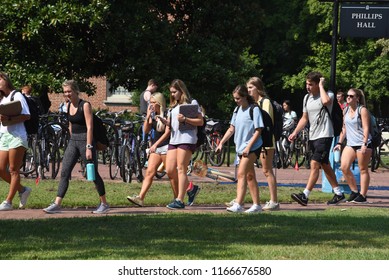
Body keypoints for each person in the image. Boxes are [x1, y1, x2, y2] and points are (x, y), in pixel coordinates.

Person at [43, 80, 109, 214]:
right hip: (73, 141)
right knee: (64, 172)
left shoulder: (85, 105)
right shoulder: (67, 106)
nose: (67, 94)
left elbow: (90, 127)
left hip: (86, 140)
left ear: (75, 91)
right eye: (65, 91)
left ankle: (104, 203)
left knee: (93, 173)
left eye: (69, 91)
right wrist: (72, 139)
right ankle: (57, 204)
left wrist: (89, 146)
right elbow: (71, 125)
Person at [288, 71, 345, 206]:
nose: (307, 87)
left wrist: (321, 86)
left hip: (325, 135)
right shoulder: (306, 98)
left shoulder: (327, 94)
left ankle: (305, 195)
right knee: (325, 165)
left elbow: (326, 101)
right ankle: (339, 193)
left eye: (311, 84)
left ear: (317, 84)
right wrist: (295, 132)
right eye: (306, 84)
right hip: (313, 136)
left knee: (315, 164)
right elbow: (304, 118)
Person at [216, 85, 263, 213]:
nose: (236, 101)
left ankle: (239, 204)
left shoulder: (254, 110)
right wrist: (221, 143)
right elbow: (231, 129)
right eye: (235, 98)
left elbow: (258, 130)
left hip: (253, 147)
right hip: (241, 148)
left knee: (241, 174)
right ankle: (257, 205)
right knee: (249, 176)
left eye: (238, 98)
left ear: (245, 96)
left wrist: (248, 147)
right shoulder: (237, 110)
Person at [163, 79, 203, 209]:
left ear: (181, 90)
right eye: (171, 92)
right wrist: (166, 122)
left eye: (174, 92)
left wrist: (185, 119)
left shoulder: (192, 103)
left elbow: (200, 121)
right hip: (174, 139)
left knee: (181, 168)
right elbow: (173, 124)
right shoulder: (173, 106)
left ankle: (179, 200)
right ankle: (190, 189)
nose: (172, 95)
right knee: (169, 169)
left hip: (187, 138)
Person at [127, 92, 172, 206]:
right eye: (149, 103)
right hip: (156, 148)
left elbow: (167, 133)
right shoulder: (153, 115)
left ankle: (181, 196)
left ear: (159, 103)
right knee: (149, 172)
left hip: (167, 147)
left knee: (172, 174)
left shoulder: (167, 113)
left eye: (152, 103)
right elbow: (146, 131)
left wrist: (155, 144)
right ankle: (140, 198)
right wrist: (148, 116)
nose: (150, 105)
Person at [246, 77, 280, 211]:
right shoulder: (253, 104)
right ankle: (250, 200)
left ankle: (274, 201)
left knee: (266, 170)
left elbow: (266, 123)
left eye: (251, 87)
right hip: (256, 141)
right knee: (248, 171)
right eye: (247, 88)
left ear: (258, 88)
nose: (248, 90)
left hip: (266, 141)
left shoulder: (265, 102)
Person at [0, 72, 32, 211]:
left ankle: (8, 201)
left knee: (13, 169)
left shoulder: (17, 95)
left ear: (6, 80)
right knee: (1, 170)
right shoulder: (2, 99)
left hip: (17, 136)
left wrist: (9, 119)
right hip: (4, 136)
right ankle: (23, 190)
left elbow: (27, 115)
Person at [334, 88, 372, 203]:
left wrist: (364, 144)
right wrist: (340, 143)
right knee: (344, 167)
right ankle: (354, 191)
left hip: (362, 143)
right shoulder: (345, 110)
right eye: (347, 96)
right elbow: (344, 129)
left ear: (357, 98)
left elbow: (366, 128)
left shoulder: (362, 110)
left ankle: (363, 195)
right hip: (350, 143)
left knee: (363, 169)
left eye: (351, 96)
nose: (348, 98)